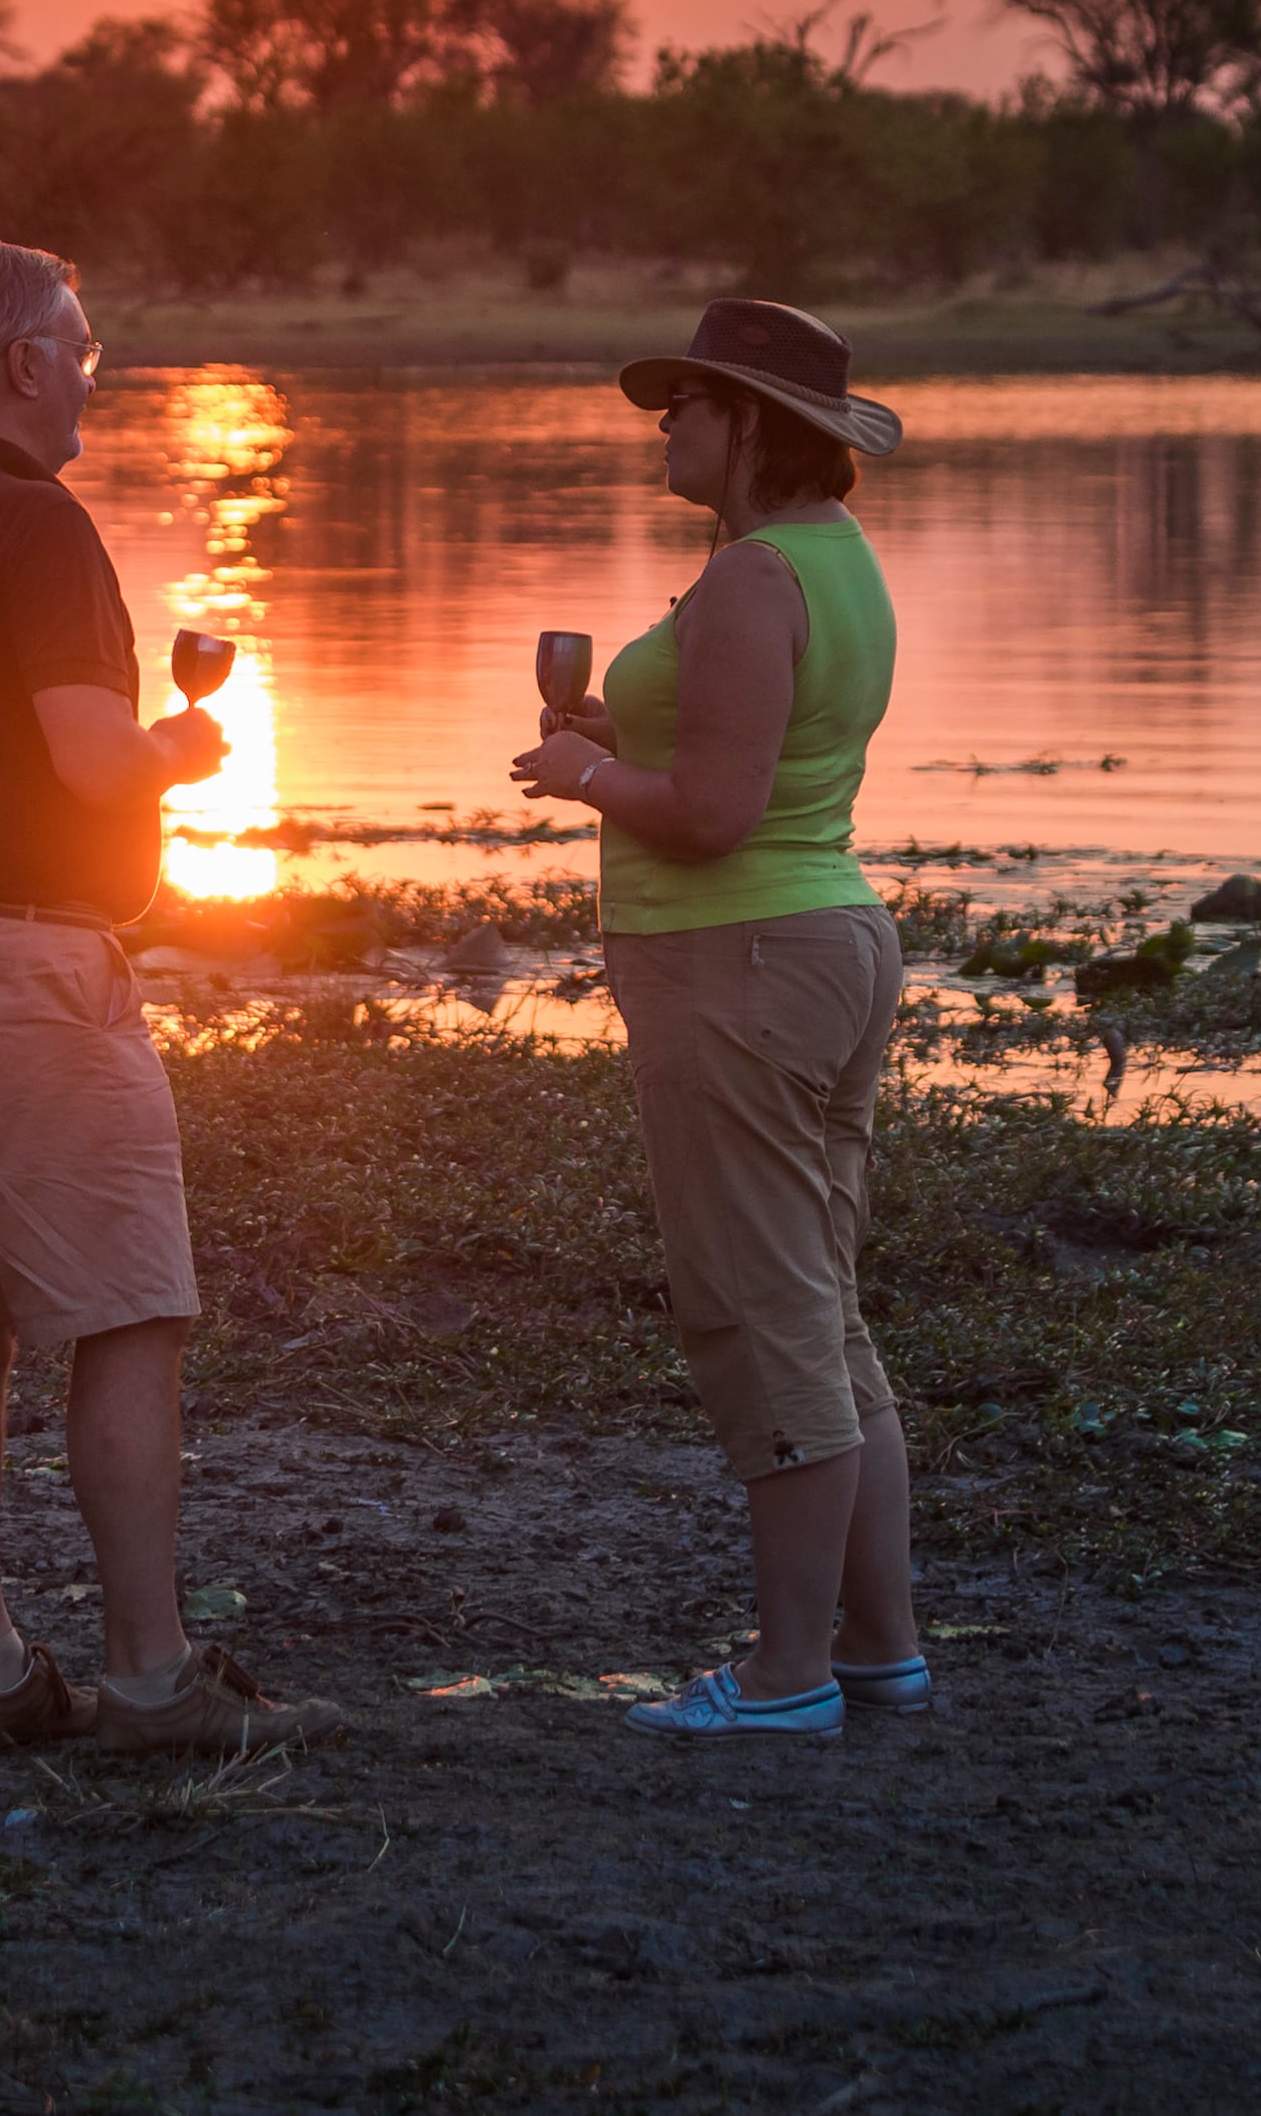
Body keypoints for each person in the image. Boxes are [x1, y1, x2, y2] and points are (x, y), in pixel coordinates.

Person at [0, 239, 347, 1758]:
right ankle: (152, 1673)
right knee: (129, 1317)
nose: (95, 375)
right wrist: (180, 745)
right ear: (23, 362)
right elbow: (91, 759)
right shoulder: (41, 528)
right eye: (84, 348)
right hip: (19, 967)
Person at [511, 297, 922, 1740]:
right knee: (820, 1300)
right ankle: (876, 1642)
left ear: (750, 420)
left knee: (763, 1309)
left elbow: (711, 816)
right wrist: (633, 746)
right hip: (817, 938)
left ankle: (786, 1671)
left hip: (743, 957)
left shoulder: (752, 577)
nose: (664, 424)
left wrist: (582, 778)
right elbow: (763, 757)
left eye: (685, 401)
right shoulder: (833, 561)